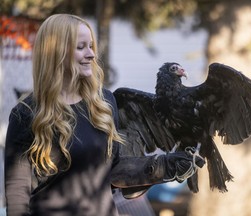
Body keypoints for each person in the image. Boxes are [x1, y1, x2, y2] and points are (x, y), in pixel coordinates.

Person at [4, 14, 204, 216]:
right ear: (56, 52)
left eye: (91, 46)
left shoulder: (104, 102)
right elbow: (17, 194)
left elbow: (114, 170)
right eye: (81, 47)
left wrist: (162, 167)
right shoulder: (26, 114)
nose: (91, 54)